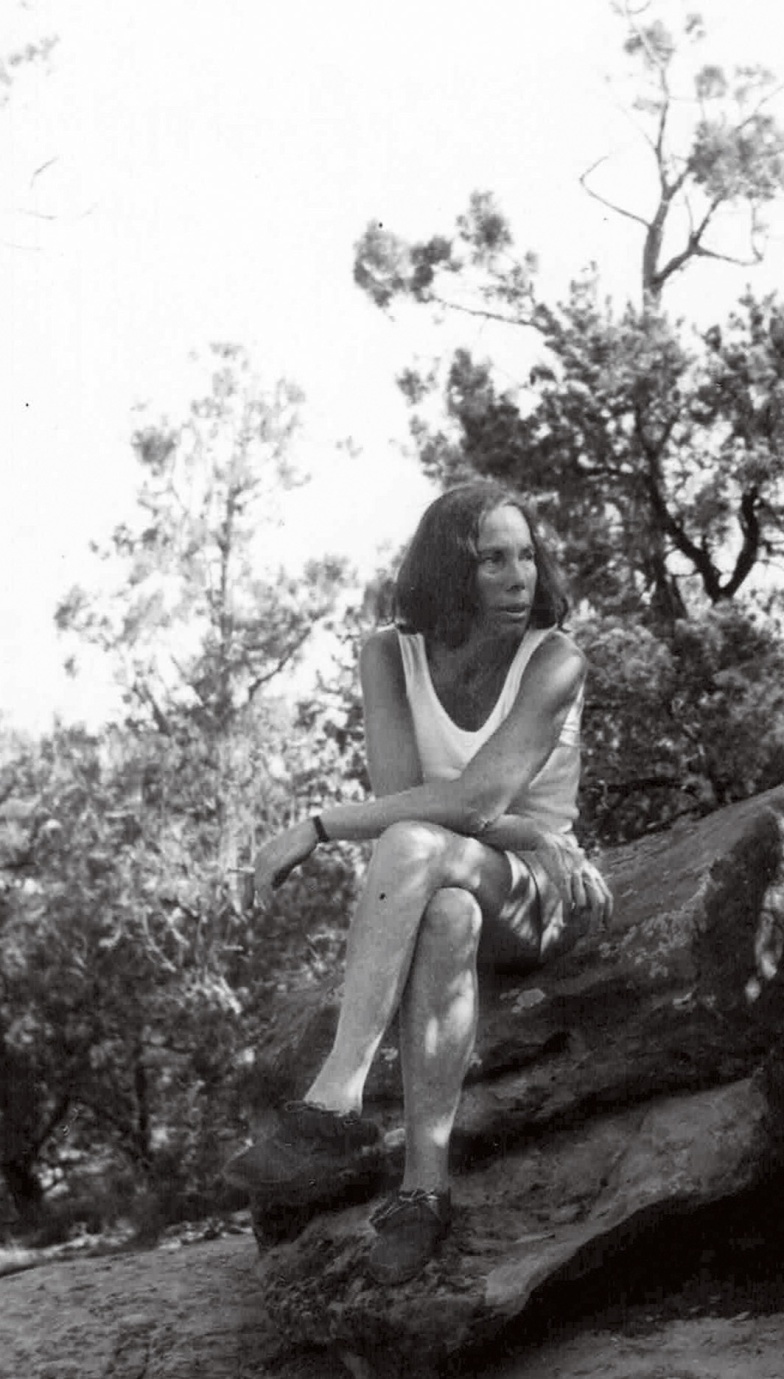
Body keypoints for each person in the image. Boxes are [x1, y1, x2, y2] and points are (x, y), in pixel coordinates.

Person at [224, 480, 612, 1286]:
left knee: (415, 846)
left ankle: (334, 1100)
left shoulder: (556, 659)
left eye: (527, 556)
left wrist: (321, 822)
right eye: (492, 560)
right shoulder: (387, 654)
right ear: (448, 571)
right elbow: (414, 800)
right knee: (440, 913)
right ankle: (424, 1192)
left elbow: (465, 801)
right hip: (465, 874)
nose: (519, 577)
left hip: (538, 894)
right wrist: (519, 825)